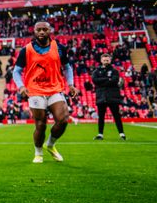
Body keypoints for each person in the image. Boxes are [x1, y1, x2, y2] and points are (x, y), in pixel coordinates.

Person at [12, 21, 78, 163]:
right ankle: (38, 153)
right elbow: (16, 71)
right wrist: (21, 86)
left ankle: (50, 145)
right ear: (34, 31)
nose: (41, 32)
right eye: (38, 30)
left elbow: (67, 68)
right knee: (41, 125)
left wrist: (71, 84)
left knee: (63, 119)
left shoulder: (60, 48)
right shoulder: (26, 50)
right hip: (35, 91)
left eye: (44, 29)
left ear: (50, 31)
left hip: (55, 89)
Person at [91, 52, 126, 140]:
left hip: (112, 96)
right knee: (101, 116)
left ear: (110, 60)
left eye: (107, 60)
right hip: (101, 96)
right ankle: (100, 134)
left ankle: (122, 134)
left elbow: (114, 81)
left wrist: (101, 81)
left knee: (116, 115)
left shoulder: (115, 71)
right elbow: (95, 80)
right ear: (101, 60)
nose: (106, 62)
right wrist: (107, 79)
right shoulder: (96, 71)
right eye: (104, 60)